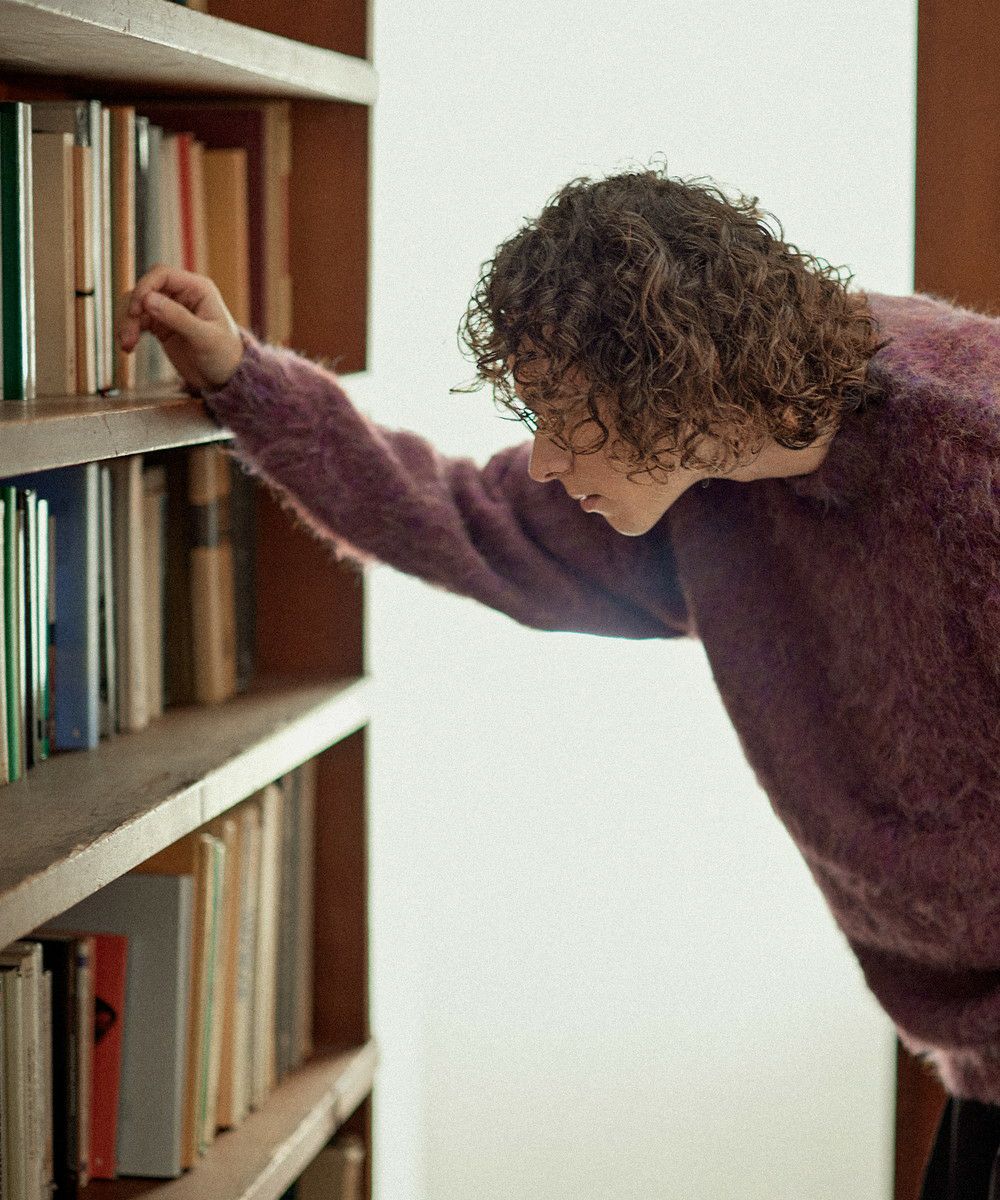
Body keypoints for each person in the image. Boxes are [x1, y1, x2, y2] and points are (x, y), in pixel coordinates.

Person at [117, 166, 1000, 1198]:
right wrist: (243, 380)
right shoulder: (707, 470)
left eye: (562, 417)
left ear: (671, 386)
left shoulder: (970, 453)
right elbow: (459, 518)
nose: (540, 459)